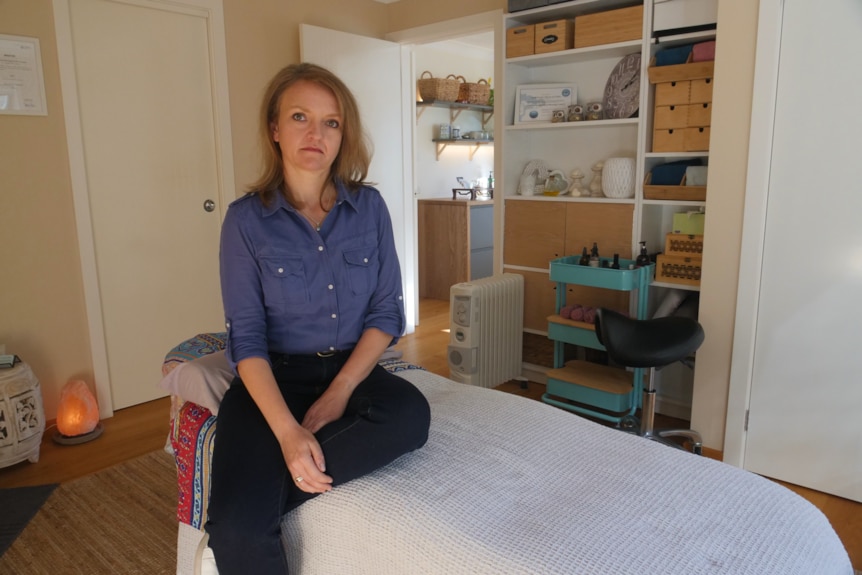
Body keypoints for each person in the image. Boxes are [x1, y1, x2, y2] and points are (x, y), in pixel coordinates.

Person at [204, 63, 431, 574]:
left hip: (352, 371)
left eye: (331, 122)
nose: (315, 133)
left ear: (342, 135)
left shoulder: (369, 207)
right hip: (273, 376)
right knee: (238, 530)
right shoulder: (245, 220)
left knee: (411, 416)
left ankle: (253, 497)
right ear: (274, 130)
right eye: (300, 116)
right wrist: (287, 433)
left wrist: (339, 393)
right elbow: (248, 339)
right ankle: (245, 509)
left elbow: (385, 311)